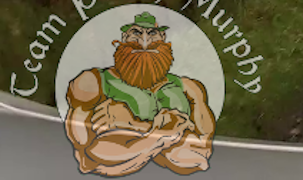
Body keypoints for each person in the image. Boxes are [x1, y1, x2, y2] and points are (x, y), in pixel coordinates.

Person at [64, 11, 216, 176]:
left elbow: (202, 151)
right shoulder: (93, 82)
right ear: (123, 38)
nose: (144, 42)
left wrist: (131, 125)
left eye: (152, 34)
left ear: (163, 37)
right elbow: (89, 155)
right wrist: (169, 132)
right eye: (136, 33)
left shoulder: (190, 88)